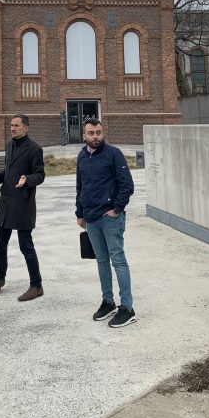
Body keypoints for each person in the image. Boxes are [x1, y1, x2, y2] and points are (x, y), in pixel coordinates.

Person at [75, 118, 136, 328]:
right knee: (101, 261)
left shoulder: (113, 154)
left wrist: (116, 209)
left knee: (118, 260)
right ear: (84, 136)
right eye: (91, 133)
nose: (96, 137)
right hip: (90, 219)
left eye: (98, 132)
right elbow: (80, 186)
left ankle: (127, 308)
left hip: (110, 219)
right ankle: (108, 302)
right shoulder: (82, 156)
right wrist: (80, 213)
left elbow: (127, 185)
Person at [0, 114, 45, 302]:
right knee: (0, 245)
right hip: (6, 202)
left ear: (26, 128)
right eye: (11, 125)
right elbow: (9, 171)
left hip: (23, 203)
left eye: (16, 125)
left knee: (26, 246)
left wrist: (27, 179)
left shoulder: (34, 148)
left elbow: (40, 175)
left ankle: (36, 285)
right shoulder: (9, 145)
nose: (12, 128)